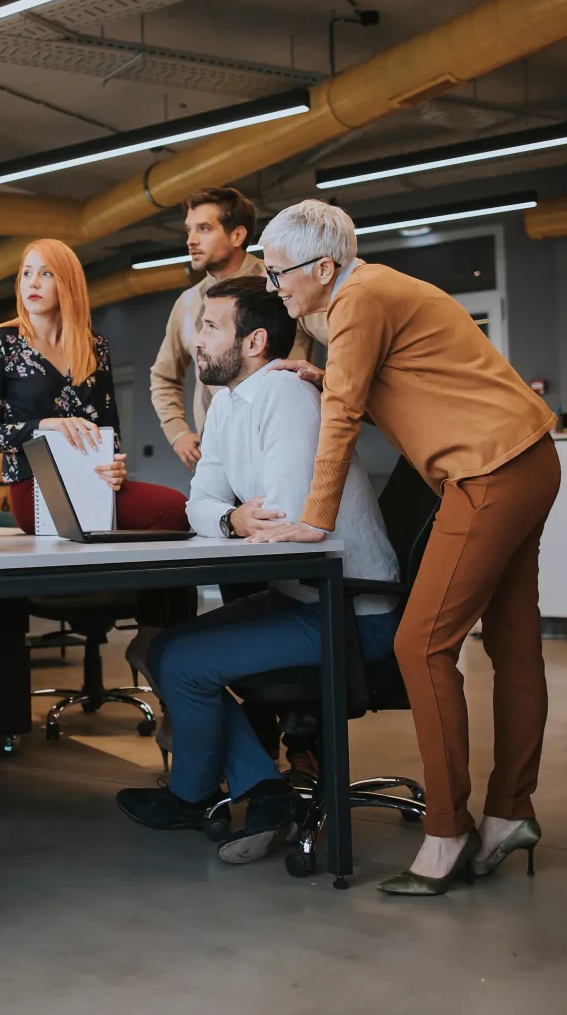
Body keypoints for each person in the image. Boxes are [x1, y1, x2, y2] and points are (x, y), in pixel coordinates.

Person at [250, 199, 560, 896]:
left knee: (420, 644)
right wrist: (329, 374)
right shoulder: (373, 293)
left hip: (488, 472)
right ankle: (509, 813)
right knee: (513, 648)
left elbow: (344, 419)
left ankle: (448, 830)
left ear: (323, 266)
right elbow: (409, 378)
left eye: (279, 274)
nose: (275, 288)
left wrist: (314, 519)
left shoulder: (359, 300)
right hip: (527, 459)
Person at [115, 278, 400, 864]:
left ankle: (206, 796)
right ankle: (264, 791)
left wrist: (236, 521)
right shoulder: (227, 404)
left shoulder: (286, 396)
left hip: (349, 608)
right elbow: (201, 503)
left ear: (255, 341)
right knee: (161, 648)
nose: (195, 340)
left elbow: (289, 524)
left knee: (182, 659)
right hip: (300, 596)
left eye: (210, 327)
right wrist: (231, 521)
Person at [0, 239, 191, 642]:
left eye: (46, 273)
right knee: (174, 509)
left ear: (67, 283)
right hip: (35, 488)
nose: (32, 283)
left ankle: (158, 641)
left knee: (178, 511)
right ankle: (159, 642)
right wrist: (45, 426)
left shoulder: (95, 347)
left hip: (93, 481)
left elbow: (110, 428)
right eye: (26, 273)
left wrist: (116, 463)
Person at [149, 187, 314, 473]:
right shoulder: (187, 303)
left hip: (283, 442)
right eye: (189, 230)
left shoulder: (282, 284)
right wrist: (177, 432)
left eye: (204, 229)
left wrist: (330, 385)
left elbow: (342, 337)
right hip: (217, 453)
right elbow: (163, 377)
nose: (191, 240)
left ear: (237, 235)